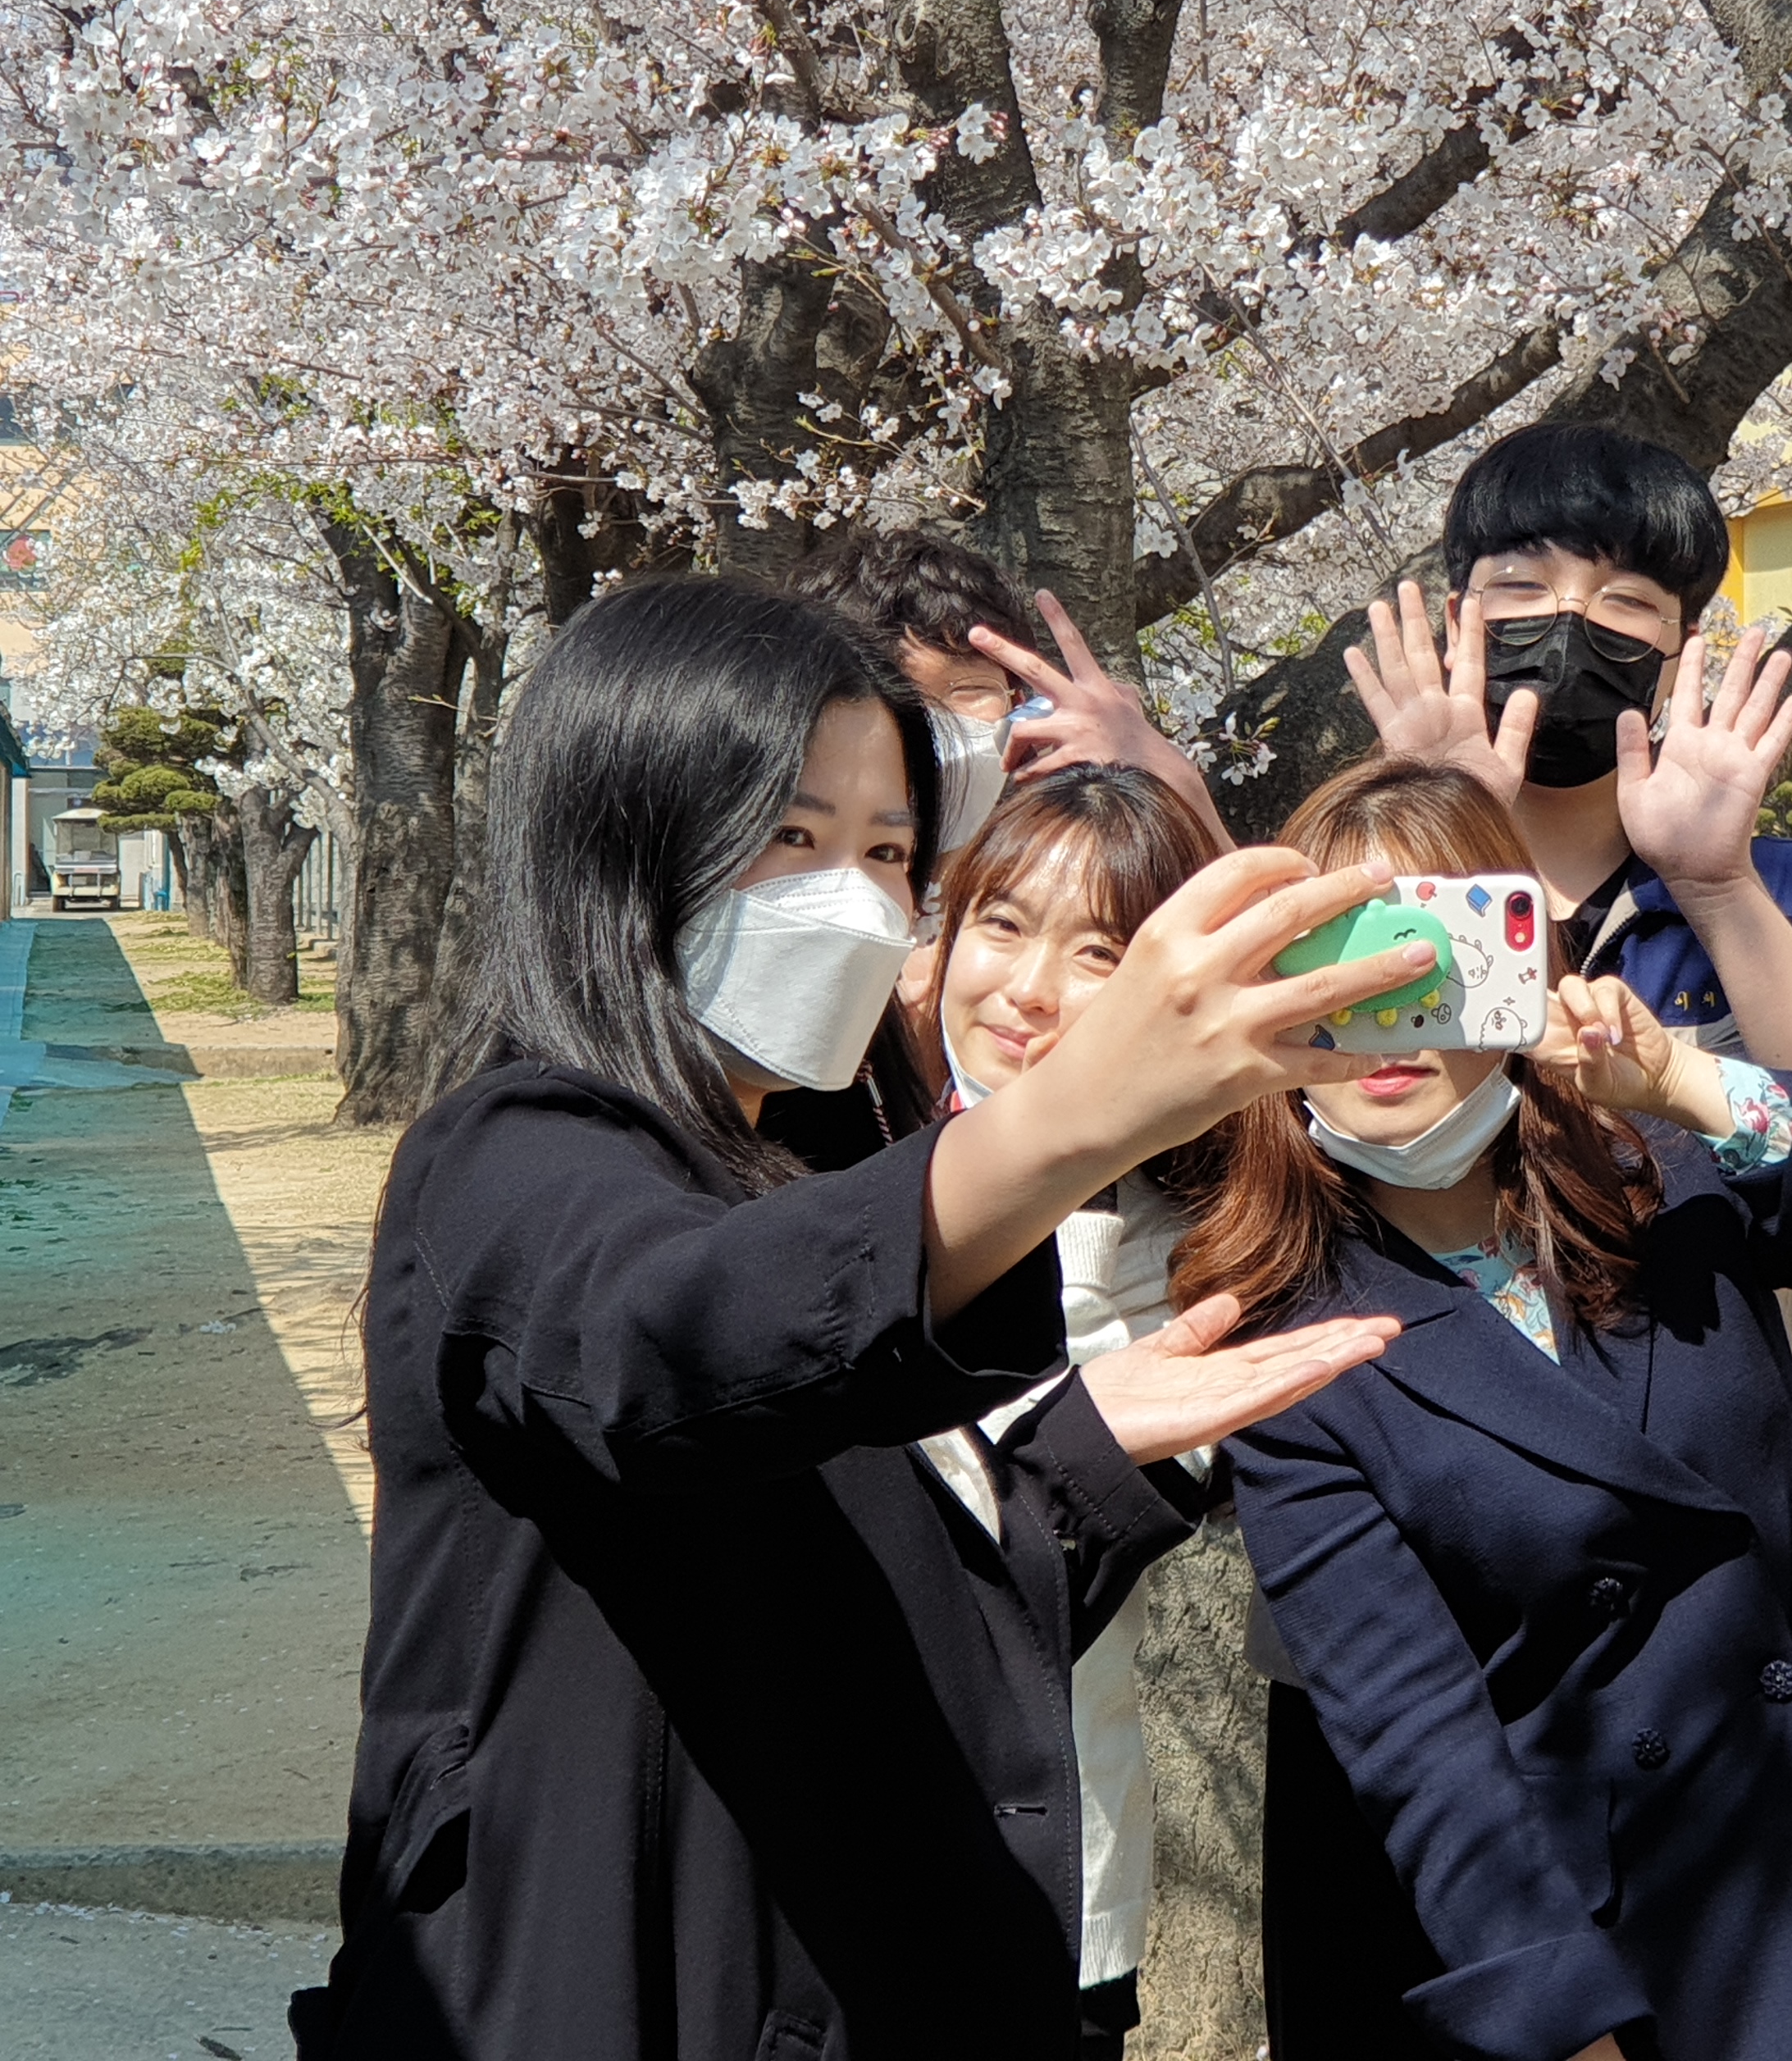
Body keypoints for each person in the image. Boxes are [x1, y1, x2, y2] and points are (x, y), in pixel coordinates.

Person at [296, 577, 1432, 2061]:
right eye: (793, 836)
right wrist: (1078, 1116)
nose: (854, 898)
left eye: (889, 849)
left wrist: (1082, 1463)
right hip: (594, 1979)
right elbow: (670, 1343)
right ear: (625, 839)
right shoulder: (517, 1153)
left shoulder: (808, 1159)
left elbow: (857, 1592)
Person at [1210, 757, 1792, 2061]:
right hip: (1654, 1928)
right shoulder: (1287, 1344)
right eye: (1337, 964)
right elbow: (1414, 1737)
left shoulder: (1656, 1166)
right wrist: (1566, 2021)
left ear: (1520, 963)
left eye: (1435, 954)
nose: (1390, 1013)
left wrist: (1690, 1087)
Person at [1346, 422, 1792, 1429]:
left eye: (1626, 600)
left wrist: (1716, 887)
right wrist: (1442, 832)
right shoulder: (1353, 879)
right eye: (1521, 587)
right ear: (1458, 616)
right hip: (1425, 1430)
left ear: (1682, 644)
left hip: (1721, 1437)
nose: (1568, 623)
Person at [919, 764, 1228, 2060]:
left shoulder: (1196, 1255)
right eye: (1001, 924)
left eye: (1099, 952)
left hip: (1048, 1881)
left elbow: (1051, 1574)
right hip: (795, 1880)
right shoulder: (819, 1170)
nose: (1030, 990)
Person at [781, 527, 1234, 1147]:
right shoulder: (768, 894)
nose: (930, 729)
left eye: (967, 691)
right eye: (895, 696)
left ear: (1021, 704)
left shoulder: (1072, 871)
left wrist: (1178, 789)